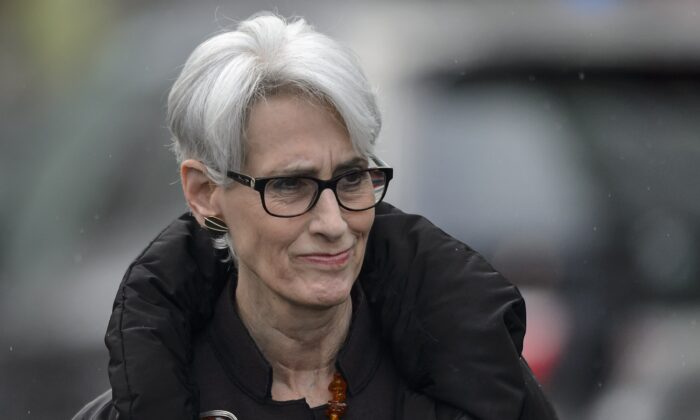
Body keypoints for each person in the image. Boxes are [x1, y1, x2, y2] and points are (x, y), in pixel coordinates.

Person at [74, 13, 557, 420]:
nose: (334, 223)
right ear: (205, 193)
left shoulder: (486, 391)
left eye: (351, 178)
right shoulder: (148, 403)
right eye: (290, 185)